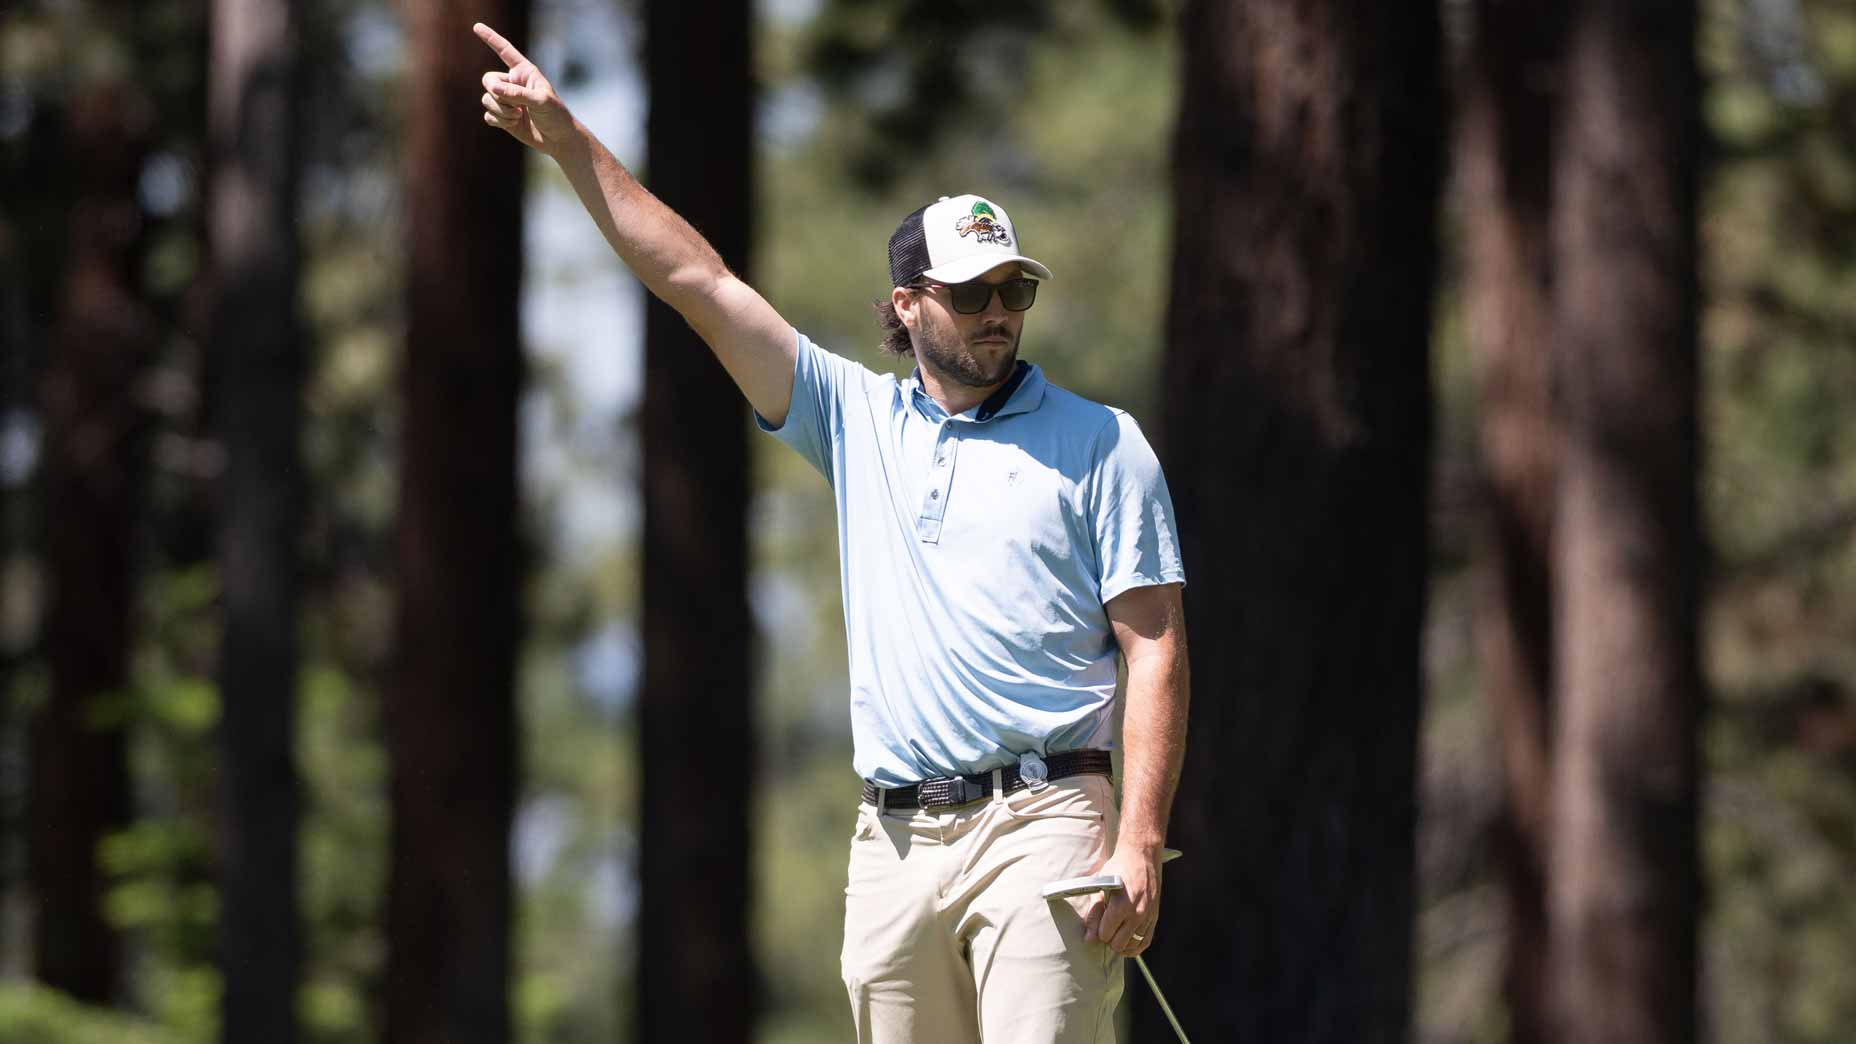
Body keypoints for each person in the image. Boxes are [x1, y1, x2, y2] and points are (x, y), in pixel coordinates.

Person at [473, 22, 1190, 1043]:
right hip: (890, 841)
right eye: (971, 293)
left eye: (1013, 291)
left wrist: (1137, 840)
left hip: (1045, 824)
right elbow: (700, 286)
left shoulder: (1101, 443)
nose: (998, 313)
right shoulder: (854, 420)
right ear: (907, 304)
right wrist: (569, 143)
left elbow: (1154, 647)